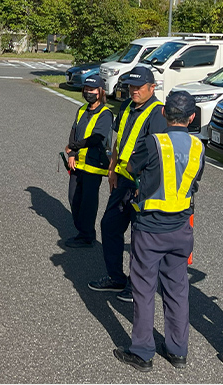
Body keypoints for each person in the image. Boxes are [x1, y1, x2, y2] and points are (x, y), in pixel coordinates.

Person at [114, 91, 204, 372]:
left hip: (150, 227)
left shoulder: (154, 142)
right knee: (177, 289)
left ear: (164, 113)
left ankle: (142, 352)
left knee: (143, 289)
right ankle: (178, 350)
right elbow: (194, 179)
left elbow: (131, 166)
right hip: (181, 227)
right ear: (191, 117)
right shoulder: (198, 147)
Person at [89, 66, 167, 303]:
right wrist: (112, 169)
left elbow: (156, 154)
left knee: (139, 237)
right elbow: (118, 141)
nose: (134, 91)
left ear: (152, 87)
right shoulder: (127, 107)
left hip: (142, 184)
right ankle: (116, 277)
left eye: (139, 87)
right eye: (131, 86)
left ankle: (137, 286)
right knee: (110, 226)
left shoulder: (158, 113)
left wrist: (142, 183)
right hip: (122, 179)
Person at [64, 75, 113, 248]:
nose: (88, 92)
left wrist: (73, 147)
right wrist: (71, 152)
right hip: (77, 163)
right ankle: (81, 231)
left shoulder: (105, 114)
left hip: (93, 164)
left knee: (88, 203)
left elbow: (95, 138)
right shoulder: (82, 109)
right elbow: (74, 130)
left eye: (92, 90)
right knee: (73, 198)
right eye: (86, 89)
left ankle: (87, 236)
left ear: (100, 92)